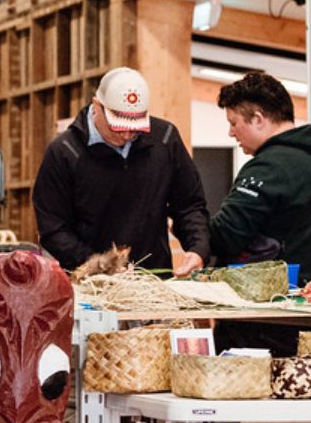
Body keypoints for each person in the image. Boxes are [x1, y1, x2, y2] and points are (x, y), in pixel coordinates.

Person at [32, 66, 210, 276]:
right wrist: (100, 267)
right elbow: (54, 229)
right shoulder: (64, 152)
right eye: (118, 126)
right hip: (92, 285)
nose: (126, 134)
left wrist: (198, 248)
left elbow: (189, 205)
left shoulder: (164, 139)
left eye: (135, 127)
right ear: (97, 106)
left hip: (153, 282)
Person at [207, 71, 311, 281]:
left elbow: (223, 238)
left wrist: (182, 219)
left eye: (234, 123)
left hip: (269, 299)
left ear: (258, 119)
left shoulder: (270, 167)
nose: (231, 133)